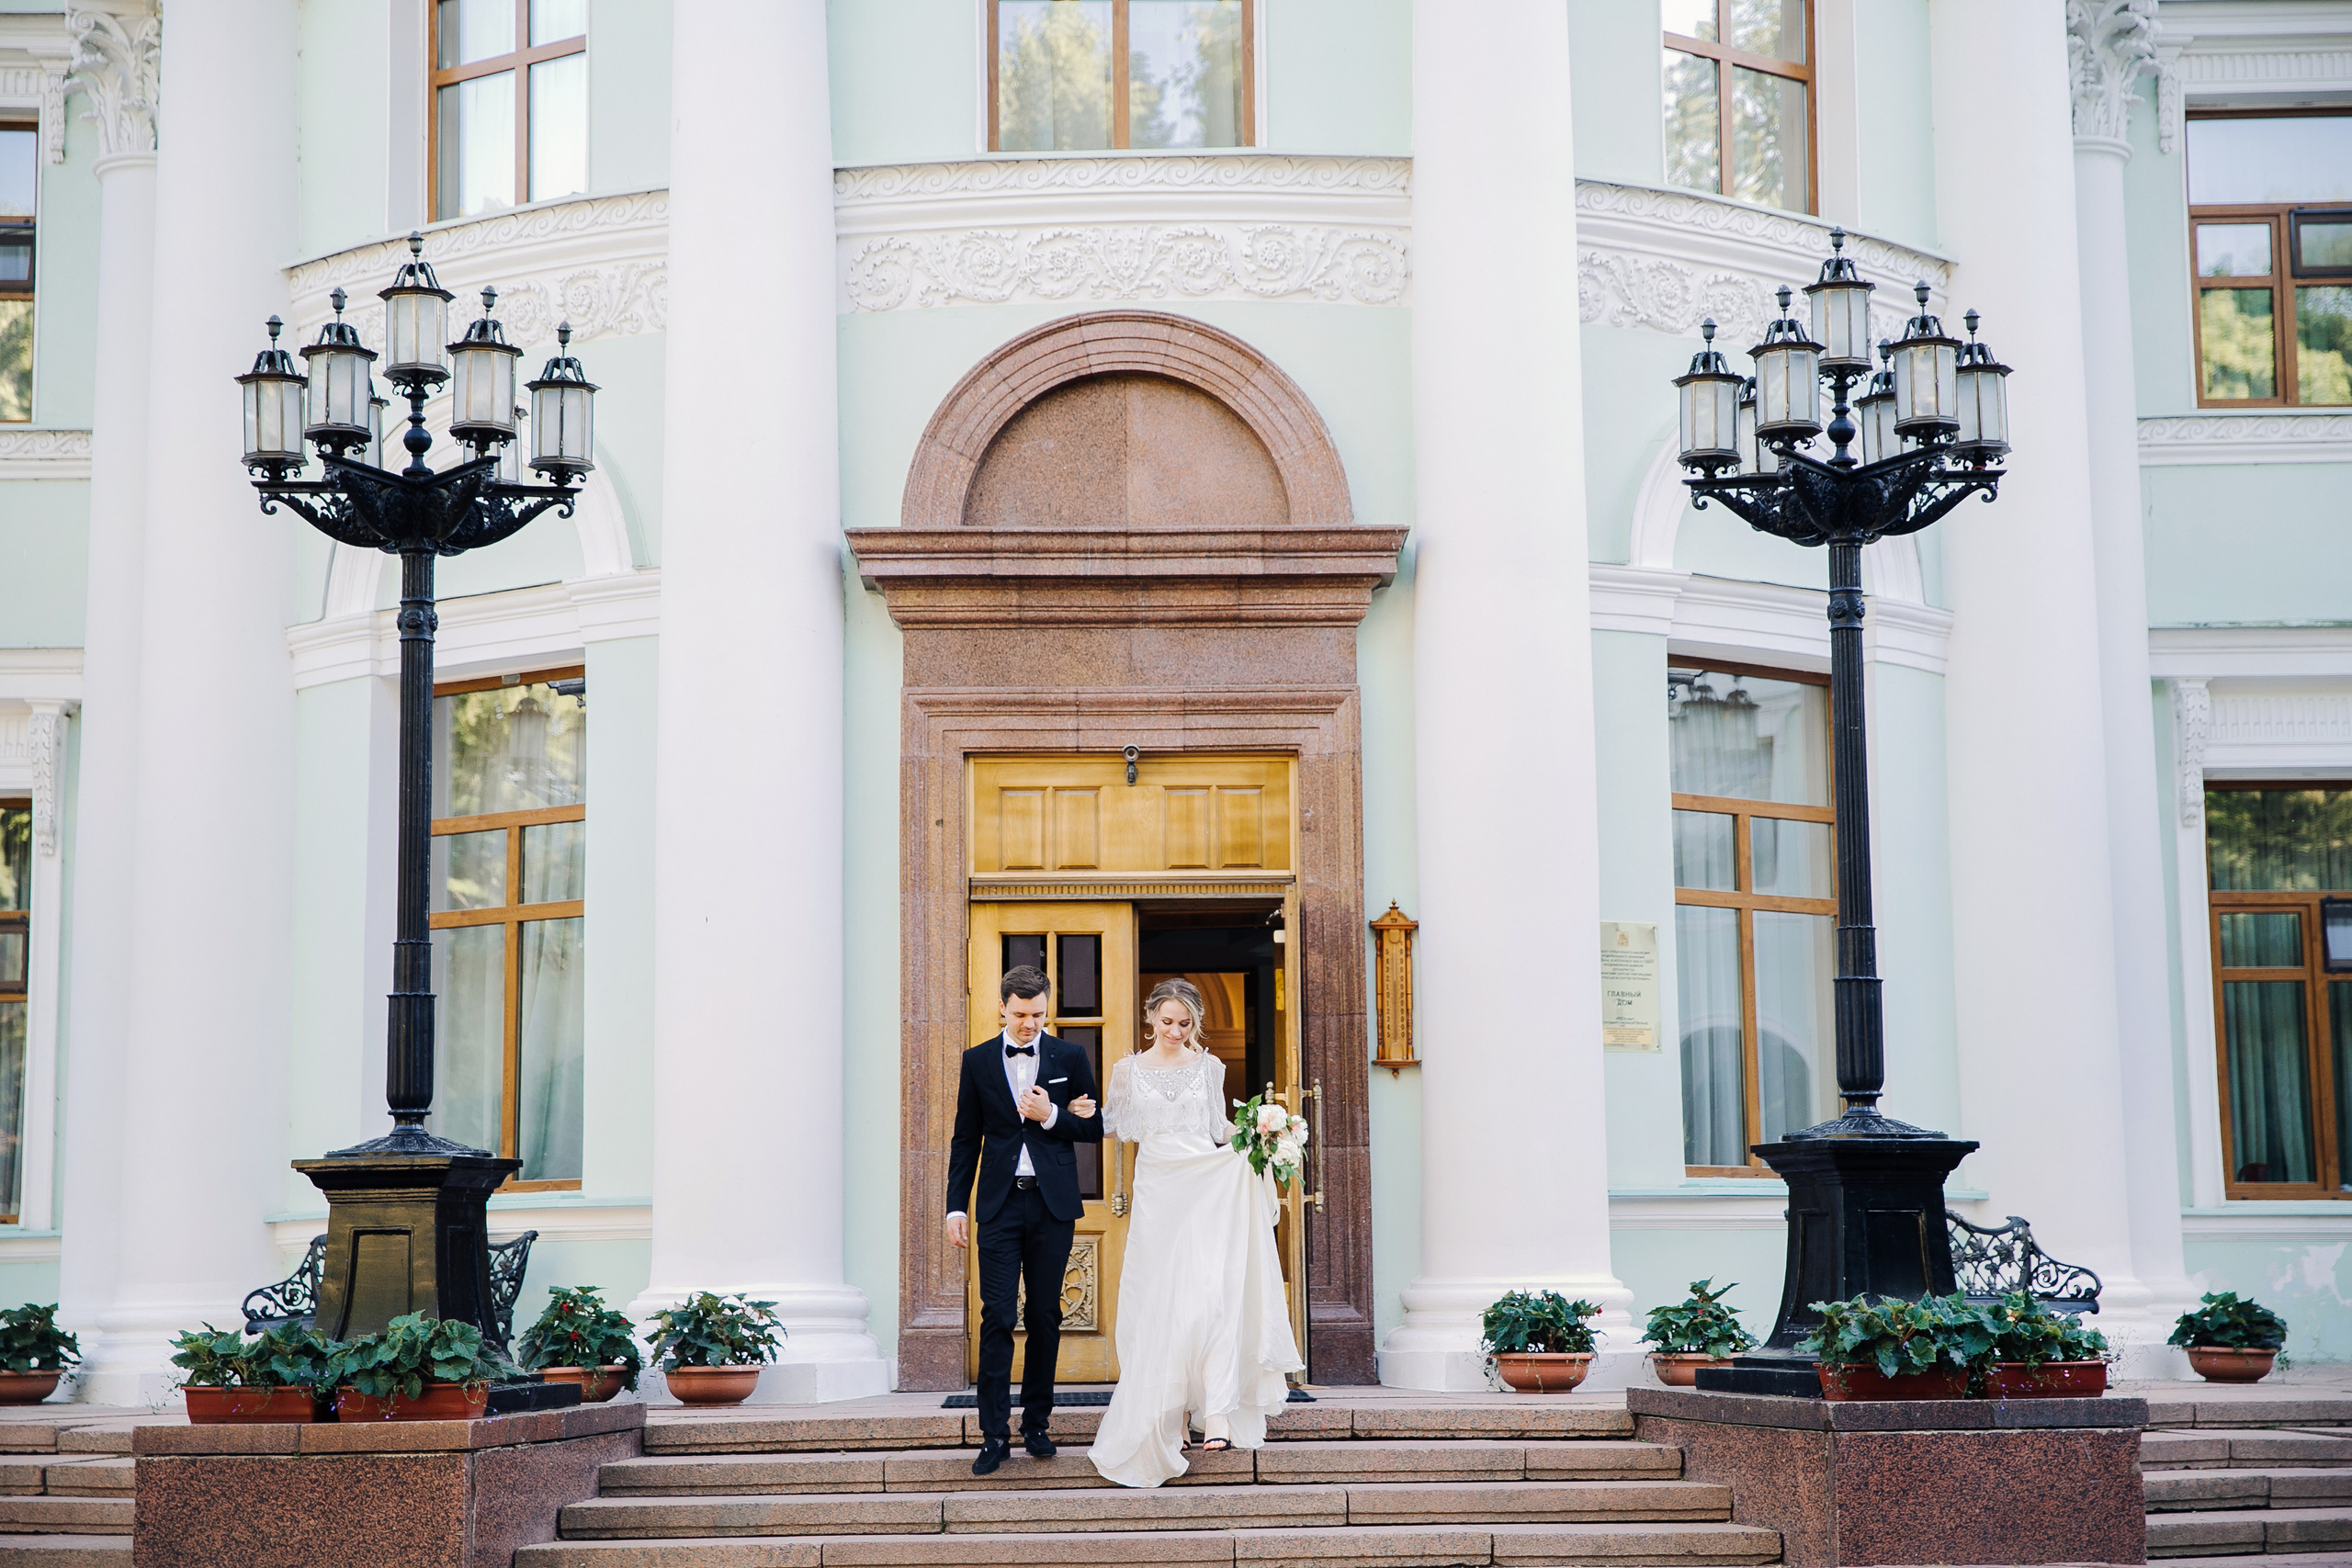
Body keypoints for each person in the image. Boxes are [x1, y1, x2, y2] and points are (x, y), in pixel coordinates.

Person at [1088, 976, 1303, 1489]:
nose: (1175, 1031)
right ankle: (1172, 1416)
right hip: (1157, 1192)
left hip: (1205, 1185)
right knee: (1158, 1301)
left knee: (1207, 1297)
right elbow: (1112, 1124)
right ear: (1150, 1018)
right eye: (1167, 1022)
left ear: (1195, 1023)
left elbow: (1216, 1127)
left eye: (1184, 1023)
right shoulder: (1127, 1070)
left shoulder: (1209, 1067)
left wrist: (1262, 1133)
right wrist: (1073, 1112)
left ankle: (1219, 1412)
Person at [944, 965, 1103, 1476]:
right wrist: (955, 1206)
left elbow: (1094, 1127)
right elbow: (965, 1139)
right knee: (996, 1317)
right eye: (1020, 1014)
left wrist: (1050, 1115)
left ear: (1047, 1009)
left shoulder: (1069, 1057)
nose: (1029, 1023)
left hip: (1051, 1206)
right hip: (998, 1206)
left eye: (1038, 1014)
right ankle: (994, 1435)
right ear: (1001, 1008)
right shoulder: (977, 1060)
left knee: (1044, 1316)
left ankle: (1036, 1424)